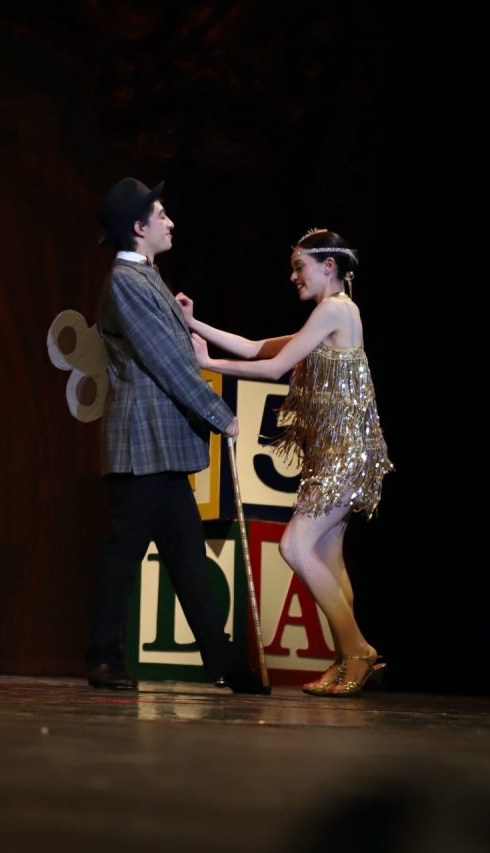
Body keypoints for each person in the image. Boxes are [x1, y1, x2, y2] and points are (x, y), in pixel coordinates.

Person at [180, 228, 393, 697]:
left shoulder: (335, 309)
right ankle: (347, 660)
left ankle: (359, 652)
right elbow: (256, 347)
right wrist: (196, 326)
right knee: (329, 561)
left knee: (295, 546)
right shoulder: (329, 316)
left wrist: (209, 365)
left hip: (344, 455)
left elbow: (273, 369)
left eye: (300, 267)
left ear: (328, 266)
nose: (293, 276)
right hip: (332, 455)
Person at [87, 177, 269, 695]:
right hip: (141, 442)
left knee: (188, 557)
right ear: (137, 227)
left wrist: (183, 317)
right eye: (161, 215)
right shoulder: (125, 281)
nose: (170, 223)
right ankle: (103, 658)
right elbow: (166, 360)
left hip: (161, 444)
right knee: (124, 554)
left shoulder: (147, 277)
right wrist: (218, 412)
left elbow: (173, 346)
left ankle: (224, 663)